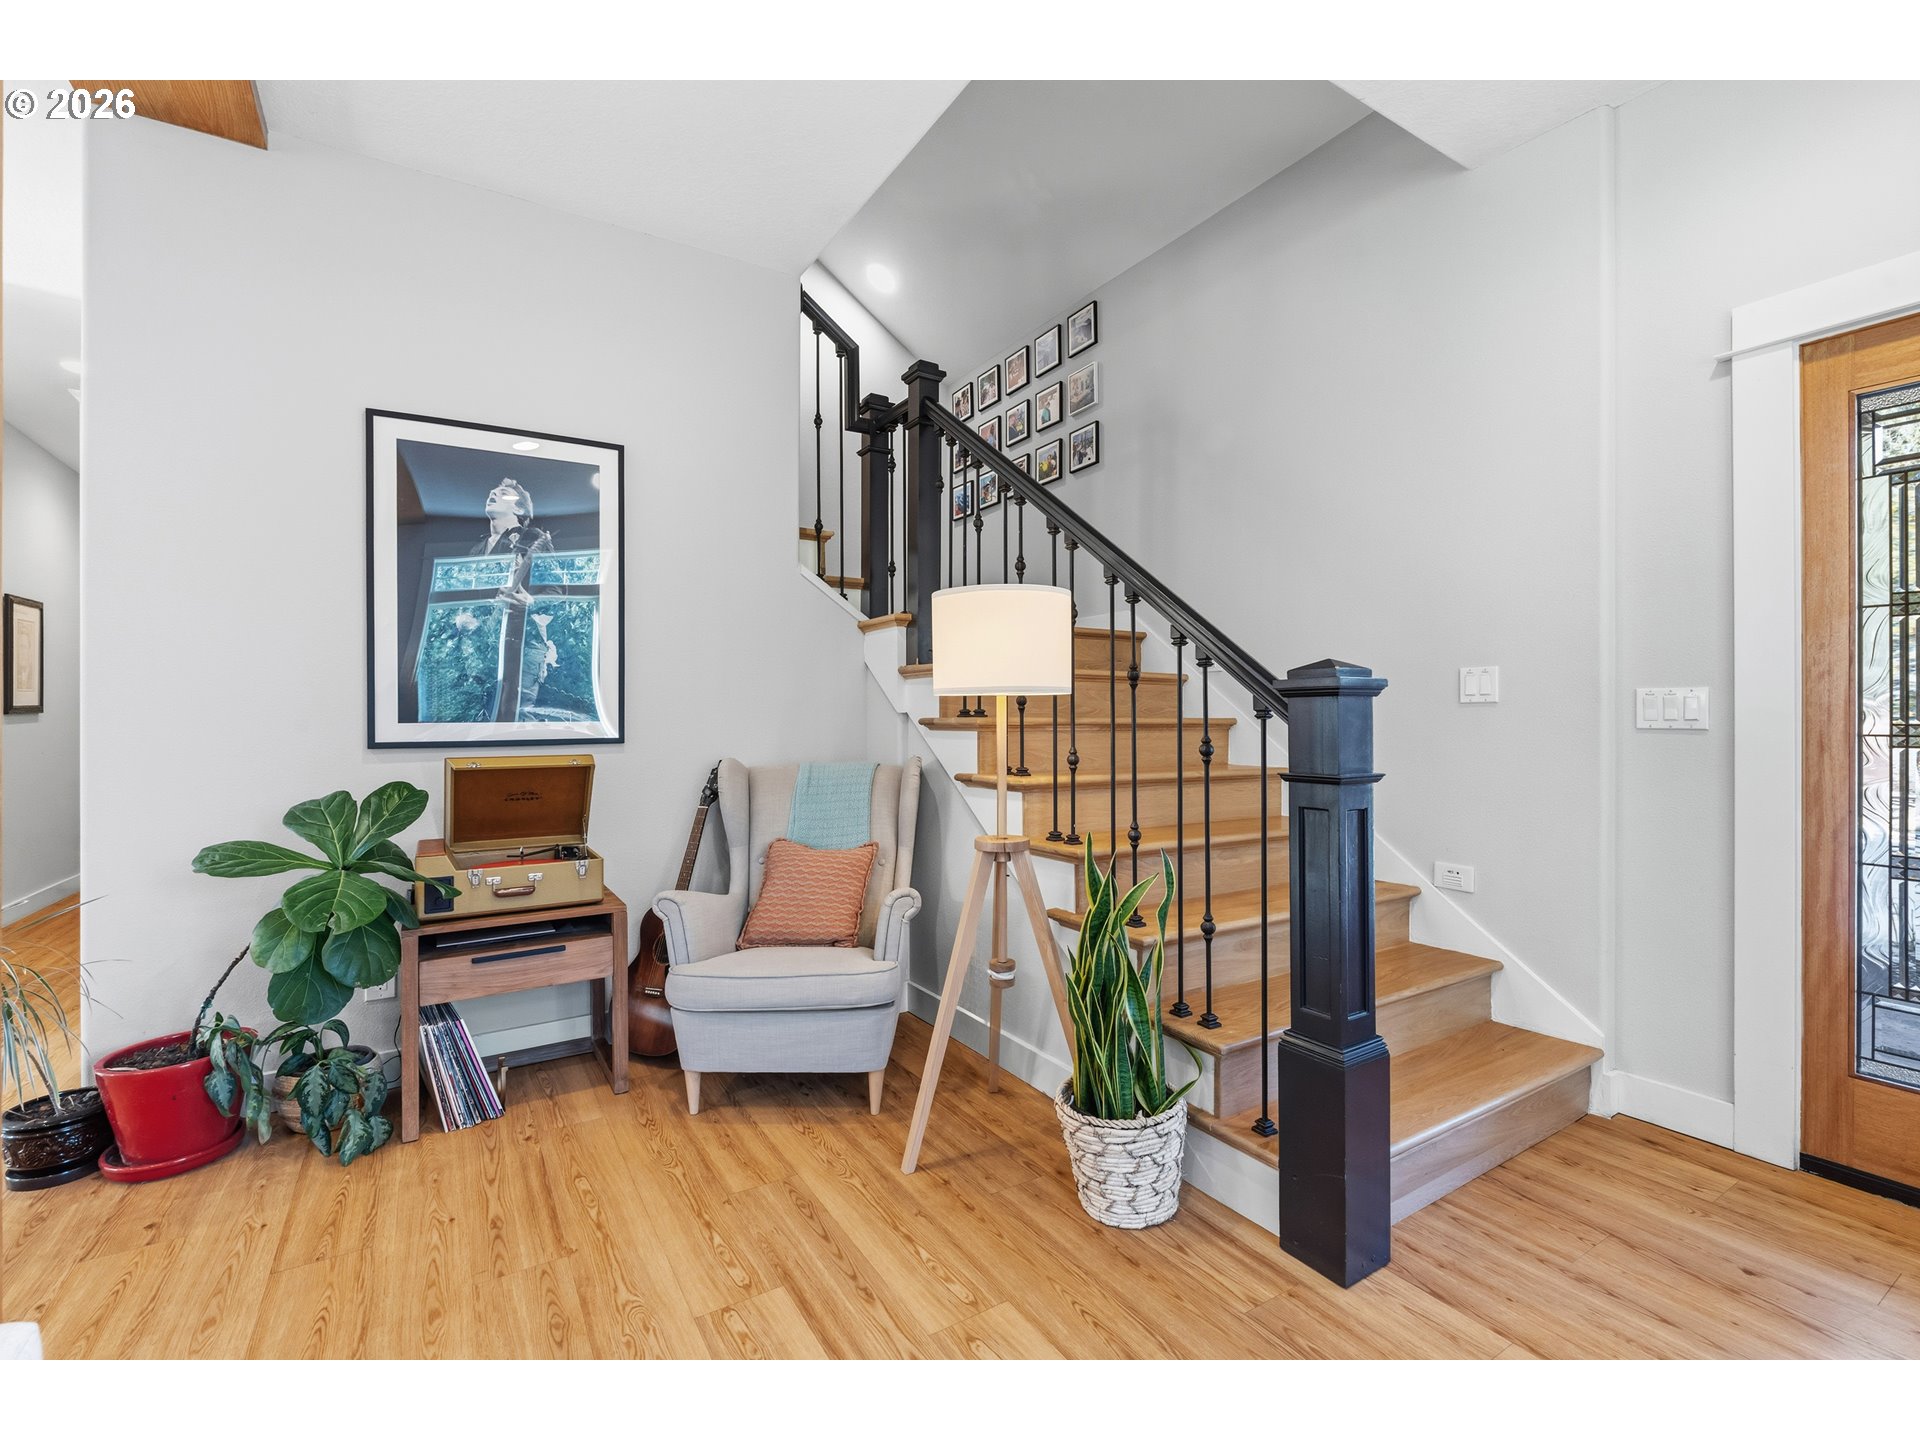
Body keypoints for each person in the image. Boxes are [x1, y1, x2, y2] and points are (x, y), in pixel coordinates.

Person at [472, 478, 562, 716]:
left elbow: (557, 591)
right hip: (487, 646)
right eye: (492, 491)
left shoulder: (533, 537)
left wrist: (532, 602)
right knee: (485, 712)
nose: (493, 493)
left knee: (518, 711)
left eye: (503, 493)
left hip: (525, 641)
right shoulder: (477, 549)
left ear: (519, 509)